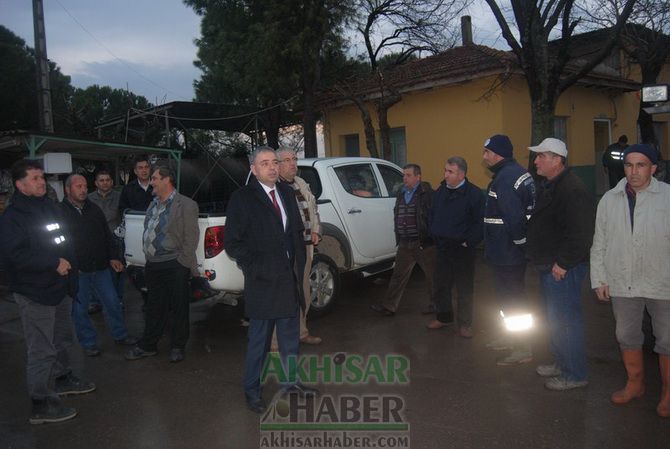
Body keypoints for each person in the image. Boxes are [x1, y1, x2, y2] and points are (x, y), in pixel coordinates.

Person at [0, 159, 95, 424]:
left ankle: (63, 378)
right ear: (20, 185)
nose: (41, 182)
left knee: (62, 339)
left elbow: (62, 239)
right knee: (41, 350)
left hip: (60, 288)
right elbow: (12, 256)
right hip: (35, 292)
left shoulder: (48, 207)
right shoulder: (13, 217)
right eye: (34, 179)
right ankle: (41, 403)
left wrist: (70, 267)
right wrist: (53, 263)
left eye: (42, 177)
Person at [224, 146, 316, 414]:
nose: (273, 167)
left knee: (290, 339)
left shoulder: (286, 192)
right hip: (263, 283)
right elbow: (233, 243)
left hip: (288, 280)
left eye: (274, 162)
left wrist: (298, 268)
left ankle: (291, 384)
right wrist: (256, 268)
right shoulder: (242, 198)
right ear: (253, 169)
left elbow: (296, 232)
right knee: (259, 343)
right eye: (265, 163)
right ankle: (252, 390)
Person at [590, 143, 670, 417]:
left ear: (654, 168)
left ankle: (668, 393)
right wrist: (599, 278)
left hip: (663, 281)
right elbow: (599, 242)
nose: (633, 171)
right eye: (628, 165)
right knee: (626, 335)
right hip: (623, 280)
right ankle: (635, 384)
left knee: (668, 339)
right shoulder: (609, 199)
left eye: (641, 165)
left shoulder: (667, 197)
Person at [526, 137, 595, 391]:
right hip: (550, 265)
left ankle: (574, 374)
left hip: (563, 268)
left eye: (541, 156)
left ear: (557, 160)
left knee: (566, 321)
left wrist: (563, 264)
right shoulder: (552, 184)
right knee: (555, 319)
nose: (536, 161)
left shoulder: (572, 189)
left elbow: (581, 234)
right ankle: (560, 363)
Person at [125, 166, 199, 363]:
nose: (151, 182)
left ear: (167, 180)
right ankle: (149, 345)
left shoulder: (186, 204)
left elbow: (191, 239)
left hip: (175, 264)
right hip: (154, 265)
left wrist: (182, 263)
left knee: (178, 307)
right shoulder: (153, 204)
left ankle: (178, 346)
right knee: (154, 307)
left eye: (155, 178)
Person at [60, 174, 136, 357]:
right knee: (80, 309)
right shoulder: (60, 212)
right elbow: (59, 242)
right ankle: (88, 342)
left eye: (85, 186)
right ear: (67, 189)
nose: (83, 189)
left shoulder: (93, 209)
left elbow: (106, 235)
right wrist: (68, 262)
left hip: (101, 267)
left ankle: (120, 335)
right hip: (78, 270)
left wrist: (113, 257)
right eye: (78, 186)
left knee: (113, 303)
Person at [482, 135, 536, 364]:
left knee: (514, 300)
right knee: (507, 298)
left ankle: (523, 348)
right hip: (505, 250)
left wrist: (521, 244)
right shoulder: (516, 172)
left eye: (487, 152)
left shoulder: (505, 178)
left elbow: (514, 219)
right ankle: (510, 338)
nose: (484, 156)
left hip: (507, 251)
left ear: (498, 154)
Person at [427, 156, 484, 338]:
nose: (446, 175)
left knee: (464, 288)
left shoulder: (474, 194)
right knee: (441, 286)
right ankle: (444, 317)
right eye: (445, 170)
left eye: (450, 172)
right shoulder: (440, 192)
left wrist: (470, 241)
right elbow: (432, 214)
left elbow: (480, 222)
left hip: (463, 250)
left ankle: (465, 324)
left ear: (461, 174)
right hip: (443, 248)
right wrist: (433, 233)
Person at [370, 163, 435, 317]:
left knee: (433, 276)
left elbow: (433, 217)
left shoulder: (428, 193)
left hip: (422, 242)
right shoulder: (401, 193)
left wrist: (430, 238)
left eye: (408, 175)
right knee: (398, 276)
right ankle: (389, 306)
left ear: (418, 177)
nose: (404, 178)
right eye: (404, 175)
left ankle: (437, 305)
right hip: (405, 242)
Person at [275, 147, 322, 346]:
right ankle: (275, 342)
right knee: (282, 296)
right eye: (287, 160)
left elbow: (314, 211)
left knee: (303, 291)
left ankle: (302, 332)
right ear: (277, 164)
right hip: (284, 253)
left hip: (305, 248)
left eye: (294, 159)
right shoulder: (273, 188)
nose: (293, 163)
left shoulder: (301, 183)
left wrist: (316, 231)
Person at [88, 169, 124, 314]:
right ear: (96, 183)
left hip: (115, 239)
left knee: (117, 271)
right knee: (94, 271)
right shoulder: (88, 198)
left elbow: (120, 216)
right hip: (95, 240)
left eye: (107, 180)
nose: (105, 183)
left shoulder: (119, 197)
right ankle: (94, 301)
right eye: (101, 180)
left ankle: (117, 300)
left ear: (112, 182)